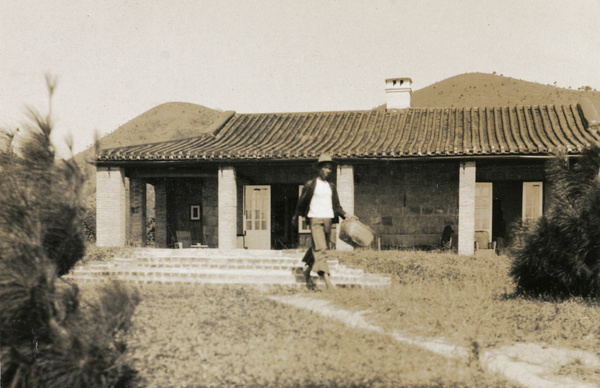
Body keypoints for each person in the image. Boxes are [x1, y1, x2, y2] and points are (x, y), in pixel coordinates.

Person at [292, 154, 353, 290]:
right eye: (325, 168)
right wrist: (296, 217)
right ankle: (326, 279)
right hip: (315, 218)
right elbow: (301, 203)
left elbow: (337, 206)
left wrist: (346, 215)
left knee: (319, 246)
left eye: (330, 169)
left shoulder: (331, 186)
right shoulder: (310, 185)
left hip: (328, 220)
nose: (328, 171)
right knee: (321, 249)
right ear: (319, 169)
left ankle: (307, 270)